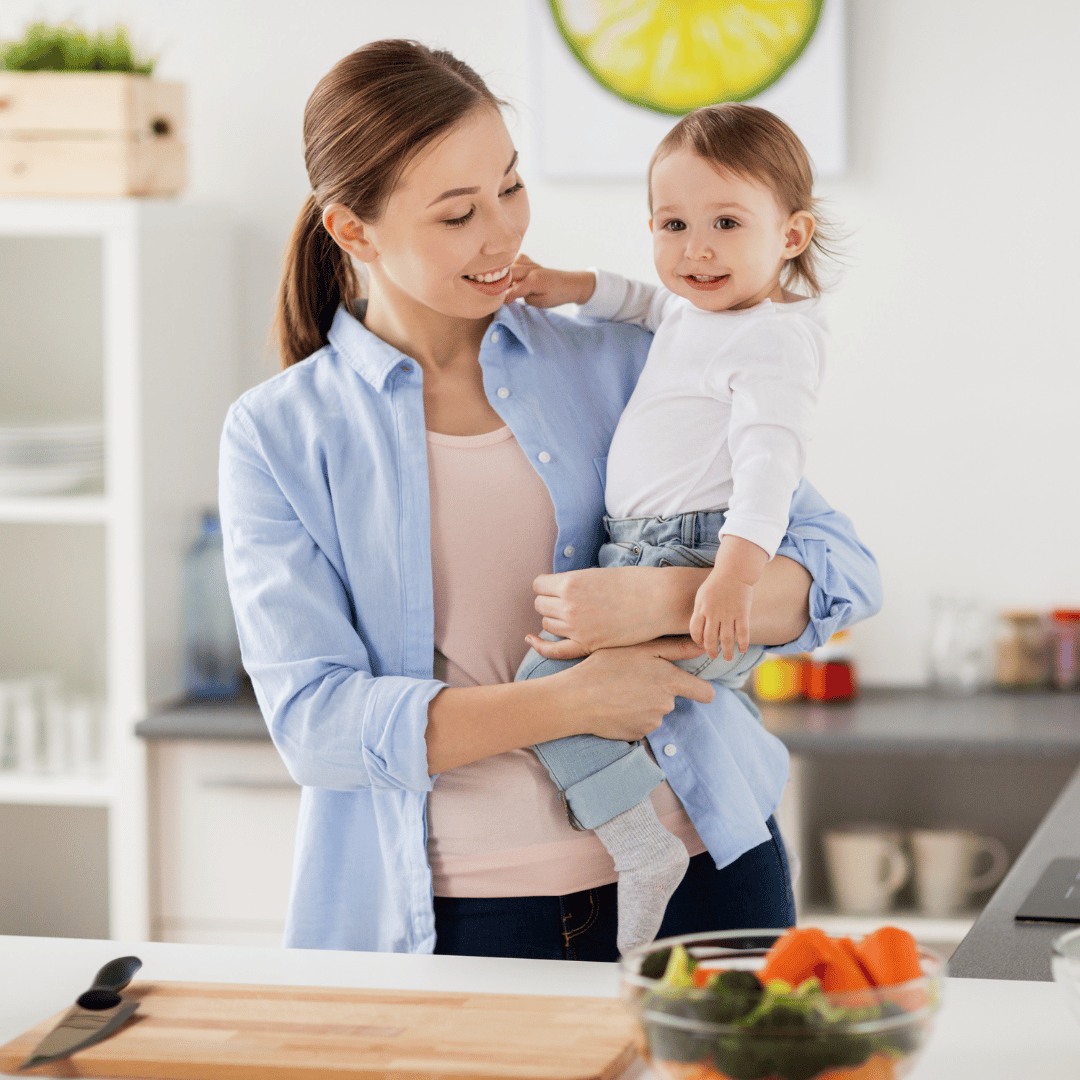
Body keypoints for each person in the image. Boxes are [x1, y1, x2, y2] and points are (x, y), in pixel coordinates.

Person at [219, 39, 882, 960]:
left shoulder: (616, 359)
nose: (503, 235)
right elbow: (317, 727)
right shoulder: (280, 435)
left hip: (713, 867)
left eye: (511, 187)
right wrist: (575, 700)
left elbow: (840, 570)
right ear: (352, 232)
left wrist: (662, 599)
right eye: (458, 214)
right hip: (468, 915)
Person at [507, 103, 835, 954]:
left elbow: (771, 464)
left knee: (543, 685)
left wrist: (733, 575)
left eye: (727, 223)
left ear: (791, 234)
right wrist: (573, 286)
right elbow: (649, 303)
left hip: (697, 550)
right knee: (554, 693)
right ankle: (644, 845)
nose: (697, 248)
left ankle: (642, 850)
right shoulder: (699, 312)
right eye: (673, 223)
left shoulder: (775, 340)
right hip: (646, 549)